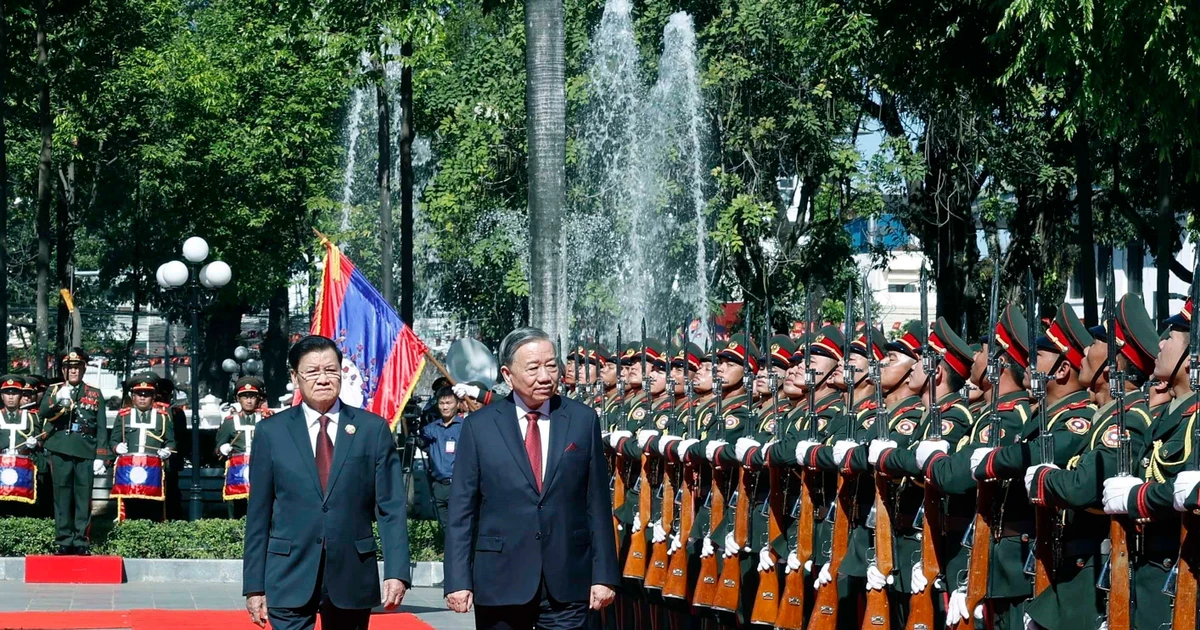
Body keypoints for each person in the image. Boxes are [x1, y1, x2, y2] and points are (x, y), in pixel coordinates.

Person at [444, 326, 619, 629]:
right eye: (533, 368)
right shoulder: (479, 426)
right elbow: (462, 510)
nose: (545, 376)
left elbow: (598, 506)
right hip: (501, 580)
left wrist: (604, 575)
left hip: (567, 582)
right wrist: (458, 579)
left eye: (551, 365)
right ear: (508, 374)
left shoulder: (581, 420)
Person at [243, 335, 409, 630]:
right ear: (295, 377)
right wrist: (254, 586)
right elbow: (259, 515)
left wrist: (397, 571)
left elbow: (391, 508)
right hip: (288, 572)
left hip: (351, 573)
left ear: (341, 372)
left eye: (330, 370)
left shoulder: (372, 429)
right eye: (312, 371)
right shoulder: (271, 433)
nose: (323, 379)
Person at [40, 348, 108, 555]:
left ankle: (81, 540)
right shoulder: (54, 390)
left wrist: (101, 455)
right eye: (69, 368)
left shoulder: (94, 393)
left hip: (85, 448)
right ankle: (63, 539)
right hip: (60, 447)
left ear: (84, 369)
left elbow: (101, 426)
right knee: (62, 496)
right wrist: (57, 399)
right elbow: (43, 412)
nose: (73, 372)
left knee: (82, 496)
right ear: (63, 370)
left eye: (77, 367)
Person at [109, 373, 176, 522]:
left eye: (147, 395)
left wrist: (167, 451)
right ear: (133, 397)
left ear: (153, 397)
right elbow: (113, 440)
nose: (142, 398)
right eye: (139, 394)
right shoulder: (124, 416)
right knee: (130, 507)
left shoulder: (163, 417)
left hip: (153, 472)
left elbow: (171, 442)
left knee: (152, 509)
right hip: (128, 473)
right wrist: (116, 447)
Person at [216, 376, 272, 518]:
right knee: (237, 506)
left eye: (252, 397)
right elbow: (217, 448)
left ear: (258, 398)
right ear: (238, 399)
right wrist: (223, 448)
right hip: (237, 472)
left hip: (261, 468)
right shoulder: (229, 422)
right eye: (244, 397)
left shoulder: (268, 419)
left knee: (263, 503)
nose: (248, 401)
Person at [418, 386, 463, 531]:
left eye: (449, 403)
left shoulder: (465, 427)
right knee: (445, 528)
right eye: (442, 403)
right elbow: (420, 441)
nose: (445, 407)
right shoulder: (432, 428)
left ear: (457, 404)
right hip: (438, 485)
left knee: (460, 526)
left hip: (457, 485)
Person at [0, 376, 41, 517]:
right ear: (1, 395)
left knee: (22, 509)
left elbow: (41, 440)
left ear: (20, 395)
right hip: (1, 467)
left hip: (23, 468)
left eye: (15, 393)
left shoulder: (31, 417)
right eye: (7, 393)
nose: (10, 397)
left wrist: (35, 443)